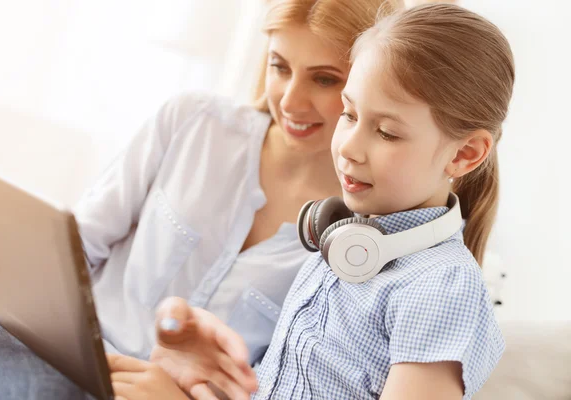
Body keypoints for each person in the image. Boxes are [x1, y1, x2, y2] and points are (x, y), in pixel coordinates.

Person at [0, 1, 393, 399]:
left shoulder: (361, 240)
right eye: (279, 67)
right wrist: (0, 271)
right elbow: (77, 245)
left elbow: (297, 379)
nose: (289, 100)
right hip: (60, 355)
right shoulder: (193, 123)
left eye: (324, 78)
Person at [105, 3, 515, 399]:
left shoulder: (440, 289)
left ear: (464, 154)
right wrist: (202, 377)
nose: (349, 148)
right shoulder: (342, 244)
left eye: (387, 132)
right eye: (350, 115)